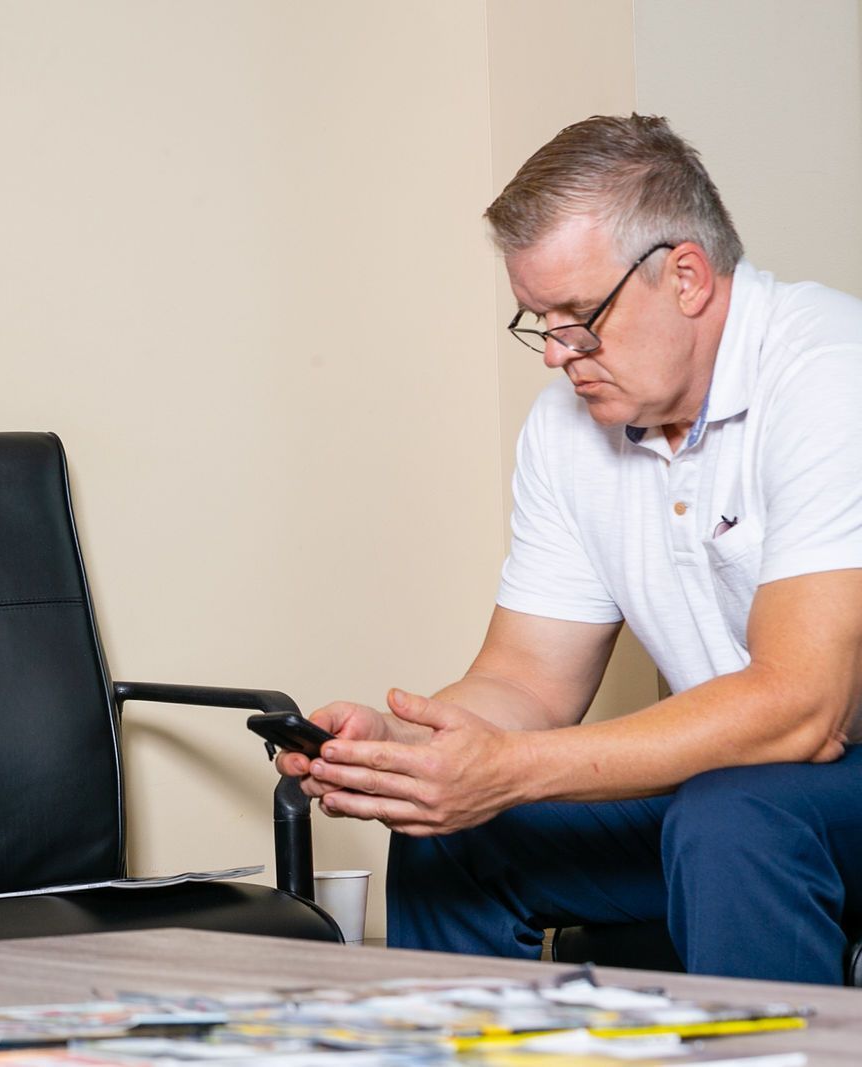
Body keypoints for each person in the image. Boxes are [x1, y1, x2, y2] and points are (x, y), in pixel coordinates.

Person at [277, 114, 862, 984]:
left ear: (688, 277)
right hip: (746, 780)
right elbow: (527, 681)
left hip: (803, 774)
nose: (556, 354)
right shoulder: (569, 425)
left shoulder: (829, 370)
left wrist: (509, 767)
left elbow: (802, 709)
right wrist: (418, 748)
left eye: (579, 317)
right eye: (538, 319)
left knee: (731, 816)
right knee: (455, 828)